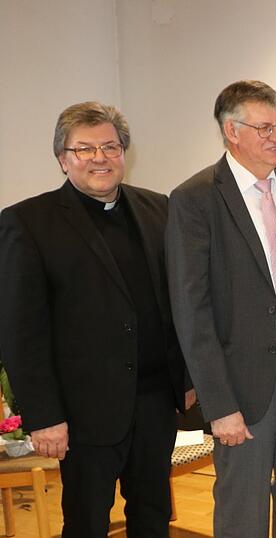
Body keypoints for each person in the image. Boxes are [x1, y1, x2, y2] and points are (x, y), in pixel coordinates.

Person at [0, 101, 192, 536]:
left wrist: (186, 377)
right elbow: (20, 332)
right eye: (84, 149)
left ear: (124, 152)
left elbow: (175, 303)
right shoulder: (27, 222)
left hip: (155, 403)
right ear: (62, 159)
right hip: (82, 412)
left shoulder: (159, 209)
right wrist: (43, 416)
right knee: (86, 524)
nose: (99, 158)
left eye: (110, 146)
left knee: (154, 517)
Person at [166, 80, 276, 537]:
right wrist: (218, 404)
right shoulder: (195, 198)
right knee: (244, 505)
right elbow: (192, 311)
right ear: (231, 131)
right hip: (242, 381)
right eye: (264, 128)